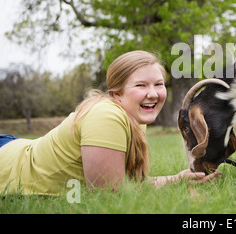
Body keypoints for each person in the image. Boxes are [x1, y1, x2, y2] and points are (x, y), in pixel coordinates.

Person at [0, 50, 221, 195]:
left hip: (16, 147)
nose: (153, 94)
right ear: (117, 93)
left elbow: (126, 184)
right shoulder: (106, 116)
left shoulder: (133, 117)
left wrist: (178, 179)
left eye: (159, 84)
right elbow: (107, 194)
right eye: (141, 86)